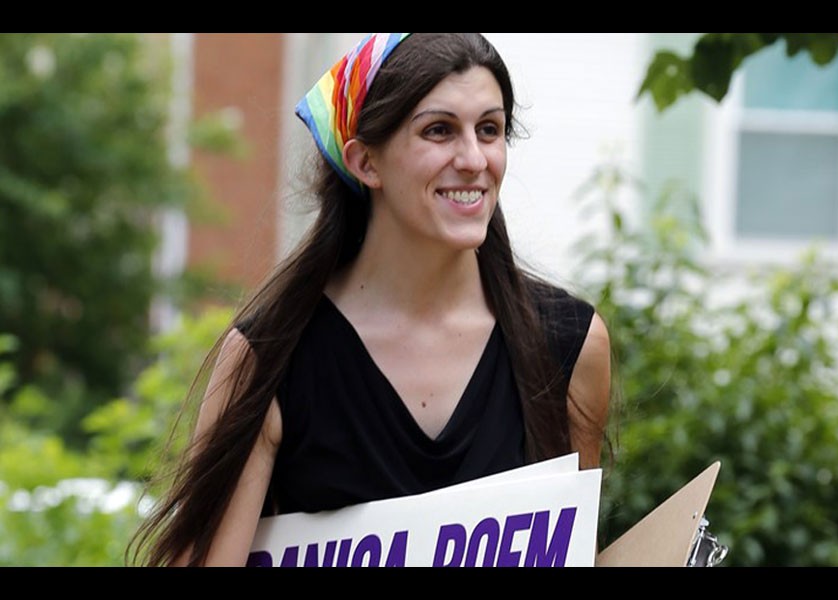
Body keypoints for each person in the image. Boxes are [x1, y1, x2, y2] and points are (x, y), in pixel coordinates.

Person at [128, 32, 612, 567]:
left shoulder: (570, 344)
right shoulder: (269, 357)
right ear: (365, 162)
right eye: (439, 130)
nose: (474, 159)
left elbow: (577, 552)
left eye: (490, 130)